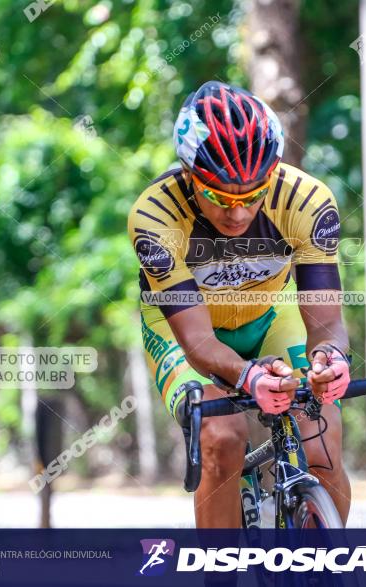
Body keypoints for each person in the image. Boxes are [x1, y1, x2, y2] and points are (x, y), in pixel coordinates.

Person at [128, 80, 351, 528]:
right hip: (185, 330)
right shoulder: (155, 215)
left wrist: (331, 359)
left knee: (321, 444)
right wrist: (247, 376)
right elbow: (198, 340)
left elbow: (326, 322)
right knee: (223, 439)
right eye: (218, 196)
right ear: (190, 175)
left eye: (251, 196)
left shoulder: (307, 200)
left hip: (272, 314)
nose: (236, 213)